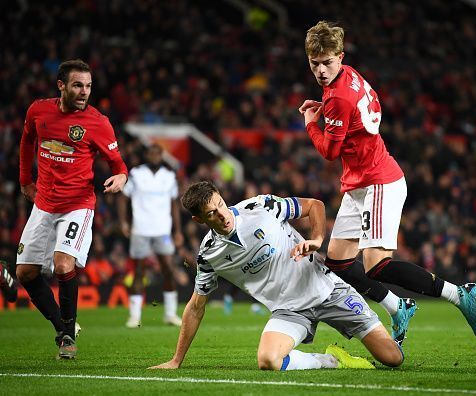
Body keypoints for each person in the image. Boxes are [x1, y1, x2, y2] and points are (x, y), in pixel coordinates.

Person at [298, 21, 476, 342]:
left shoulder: (337, 98)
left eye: (327, 62)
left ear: (340, 57)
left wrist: (311, 124)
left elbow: (329, 151)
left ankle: (459, 293)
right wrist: (329, 113)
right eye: (314, 64)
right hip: (358, 184)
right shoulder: (347, 77)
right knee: (339, 262)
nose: (321, 70)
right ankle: (397, 306)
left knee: (376, 265)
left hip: (378, 182)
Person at [149, 181, 403, 371]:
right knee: (268, 361)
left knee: (393, 359)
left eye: (220, 205)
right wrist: (176, 360)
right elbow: (195, 307)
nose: (222, 215)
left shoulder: (260, 207)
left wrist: (316, 239)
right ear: (198, 219)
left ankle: (392, 319)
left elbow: (314, 205)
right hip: (289, 311)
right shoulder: (209, 255)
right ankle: (329, 360)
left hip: (327, 290)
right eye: (211, 214)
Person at [17, 59, 128, 359]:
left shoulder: (98, 123)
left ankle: (67, 337)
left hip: (77, 205)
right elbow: (27, 141)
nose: (84, 92)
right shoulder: (38, 111)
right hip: (43, 203)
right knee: (26, 273)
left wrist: (120, 178)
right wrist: (25, 180)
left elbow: (118, 165)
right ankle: (64, 326)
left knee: (63, 265)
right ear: (61, 85)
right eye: (78, 85)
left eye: (88, 86)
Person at [118, 144, 184, 328]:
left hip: (163, 230)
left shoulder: (169, 176)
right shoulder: (136, 173)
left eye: (157, 153)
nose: (154, 156)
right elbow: (123, 198)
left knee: (169, 269)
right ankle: (134, 316)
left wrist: (177, 231)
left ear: (161, 155)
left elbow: (174, 205)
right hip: (140, 229)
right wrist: (124, 222)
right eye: (151, 152)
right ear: (147, 154)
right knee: (139, 272)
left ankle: (170, 314)